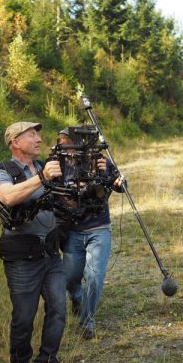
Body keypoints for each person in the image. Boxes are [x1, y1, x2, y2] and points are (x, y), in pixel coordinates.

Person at [0, 121, 65, 363]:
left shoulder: (48, 165)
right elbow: (7, 197)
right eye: (31, 134)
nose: (38, 138)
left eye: (38, 133)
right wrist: (43, 178)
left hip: (50, 253)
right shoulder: (5, 171)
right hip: (22, 257)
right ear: (15, 142)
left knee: (58, 308)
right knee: (24, 315)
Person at [56, 128, 123, 340]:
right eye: (61, 144)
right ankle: (77, 298)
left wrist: (113, 178)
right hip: (72, 230)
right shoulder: (57, 165)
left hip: (99, 229)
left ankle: (87, 321)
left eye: (68, 144)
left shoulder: (98, 160)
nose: (65, 149)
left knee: (94, 277)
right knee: (70, 278)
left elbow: (120, 184)